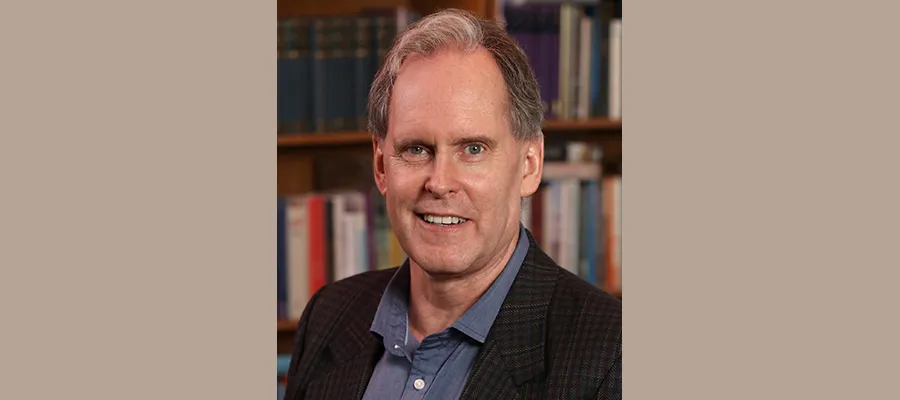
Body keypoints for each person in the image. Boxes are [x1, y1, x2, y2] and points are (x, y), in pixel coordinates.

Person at [284, 8, 621, 400]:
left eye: (473, 149)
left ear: (529, 165)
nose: (440, 183)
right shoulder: (329, 316)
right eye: (416, 149)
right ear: (380, 166)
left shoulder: (612, 354)